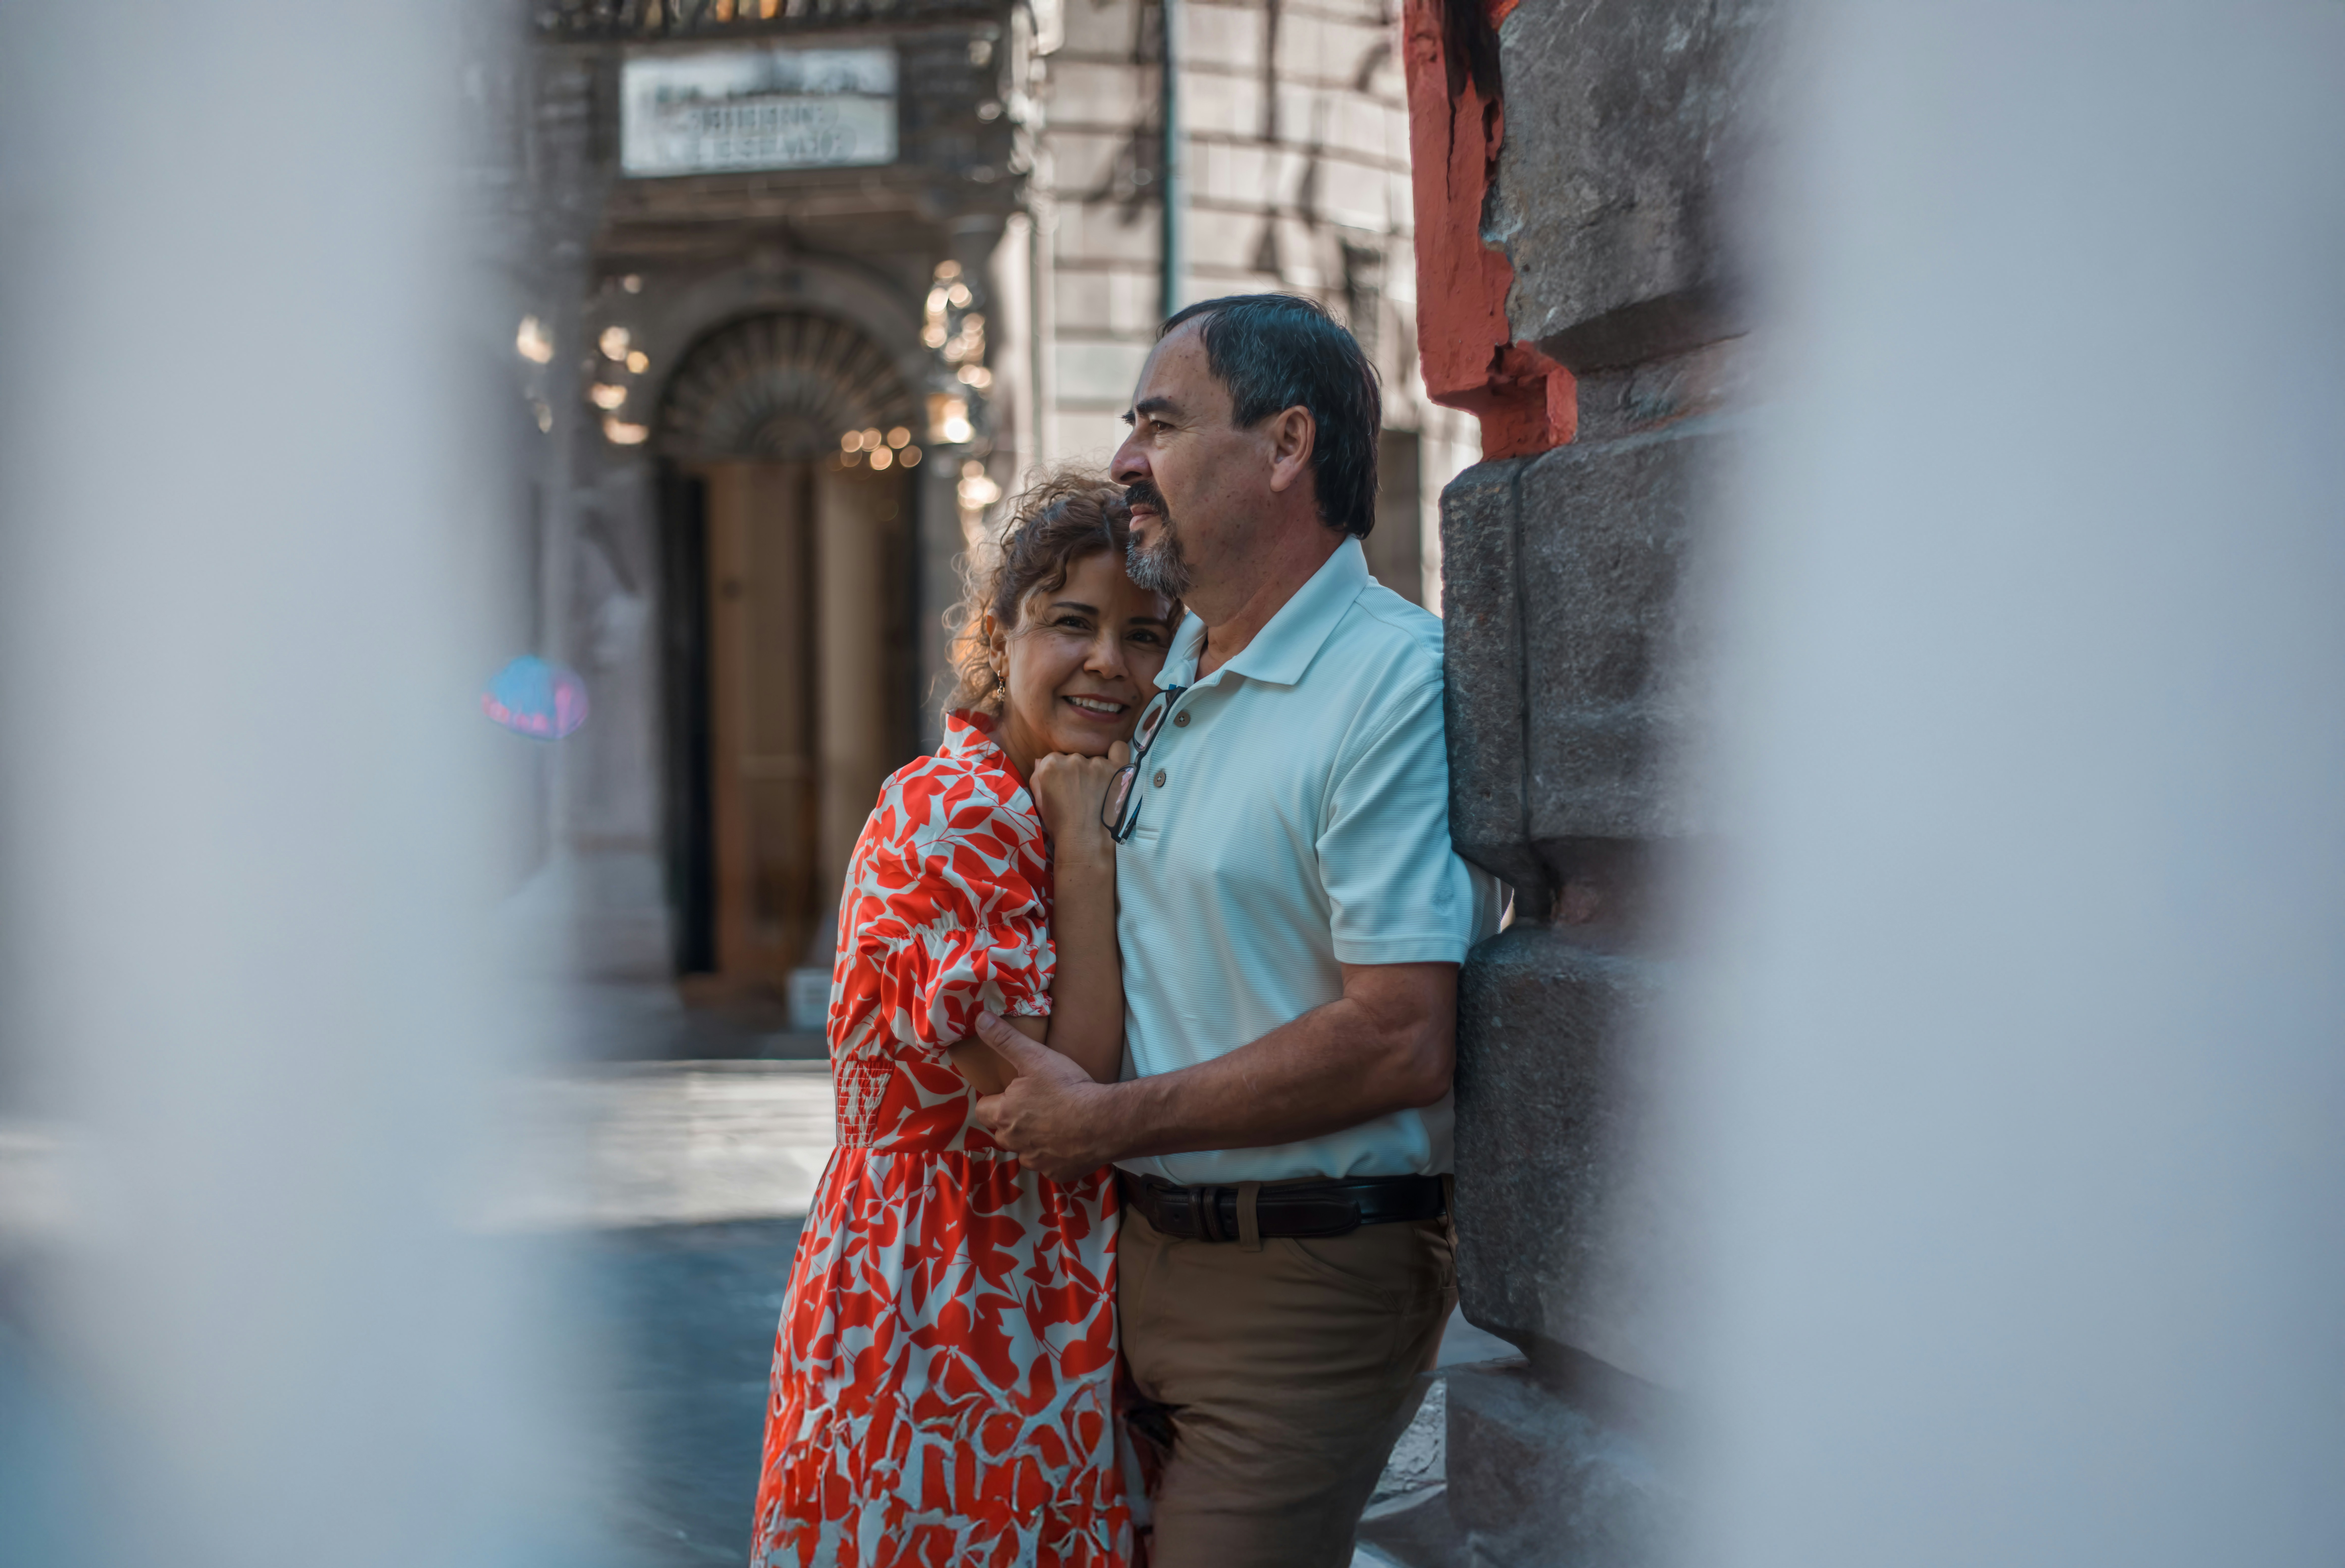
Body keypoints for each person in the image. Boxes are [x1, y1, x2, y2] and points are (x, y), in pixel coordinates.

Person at [968, 295, 1504, 1565]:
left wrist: (1102, 1122)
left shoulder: (1390, 682)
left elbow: (1400, 1037)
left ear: (1285, 445)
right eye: (1129, 426)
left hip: (1304, 1283)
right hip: (1119, 1268)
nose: (1123, 462)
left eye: (1159, 423)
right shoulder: (1168, 667)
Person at [750, 474, 1177, 1567]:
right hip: (953, 1281)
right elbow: (1065, 1085)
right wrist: (1081, 855)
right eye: (1071, 622)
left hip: (976, 1266)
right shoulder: (969, 809)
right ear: (998, 631)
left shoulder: (1027, 785)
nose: (1109, 663)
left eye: (1145, 634)